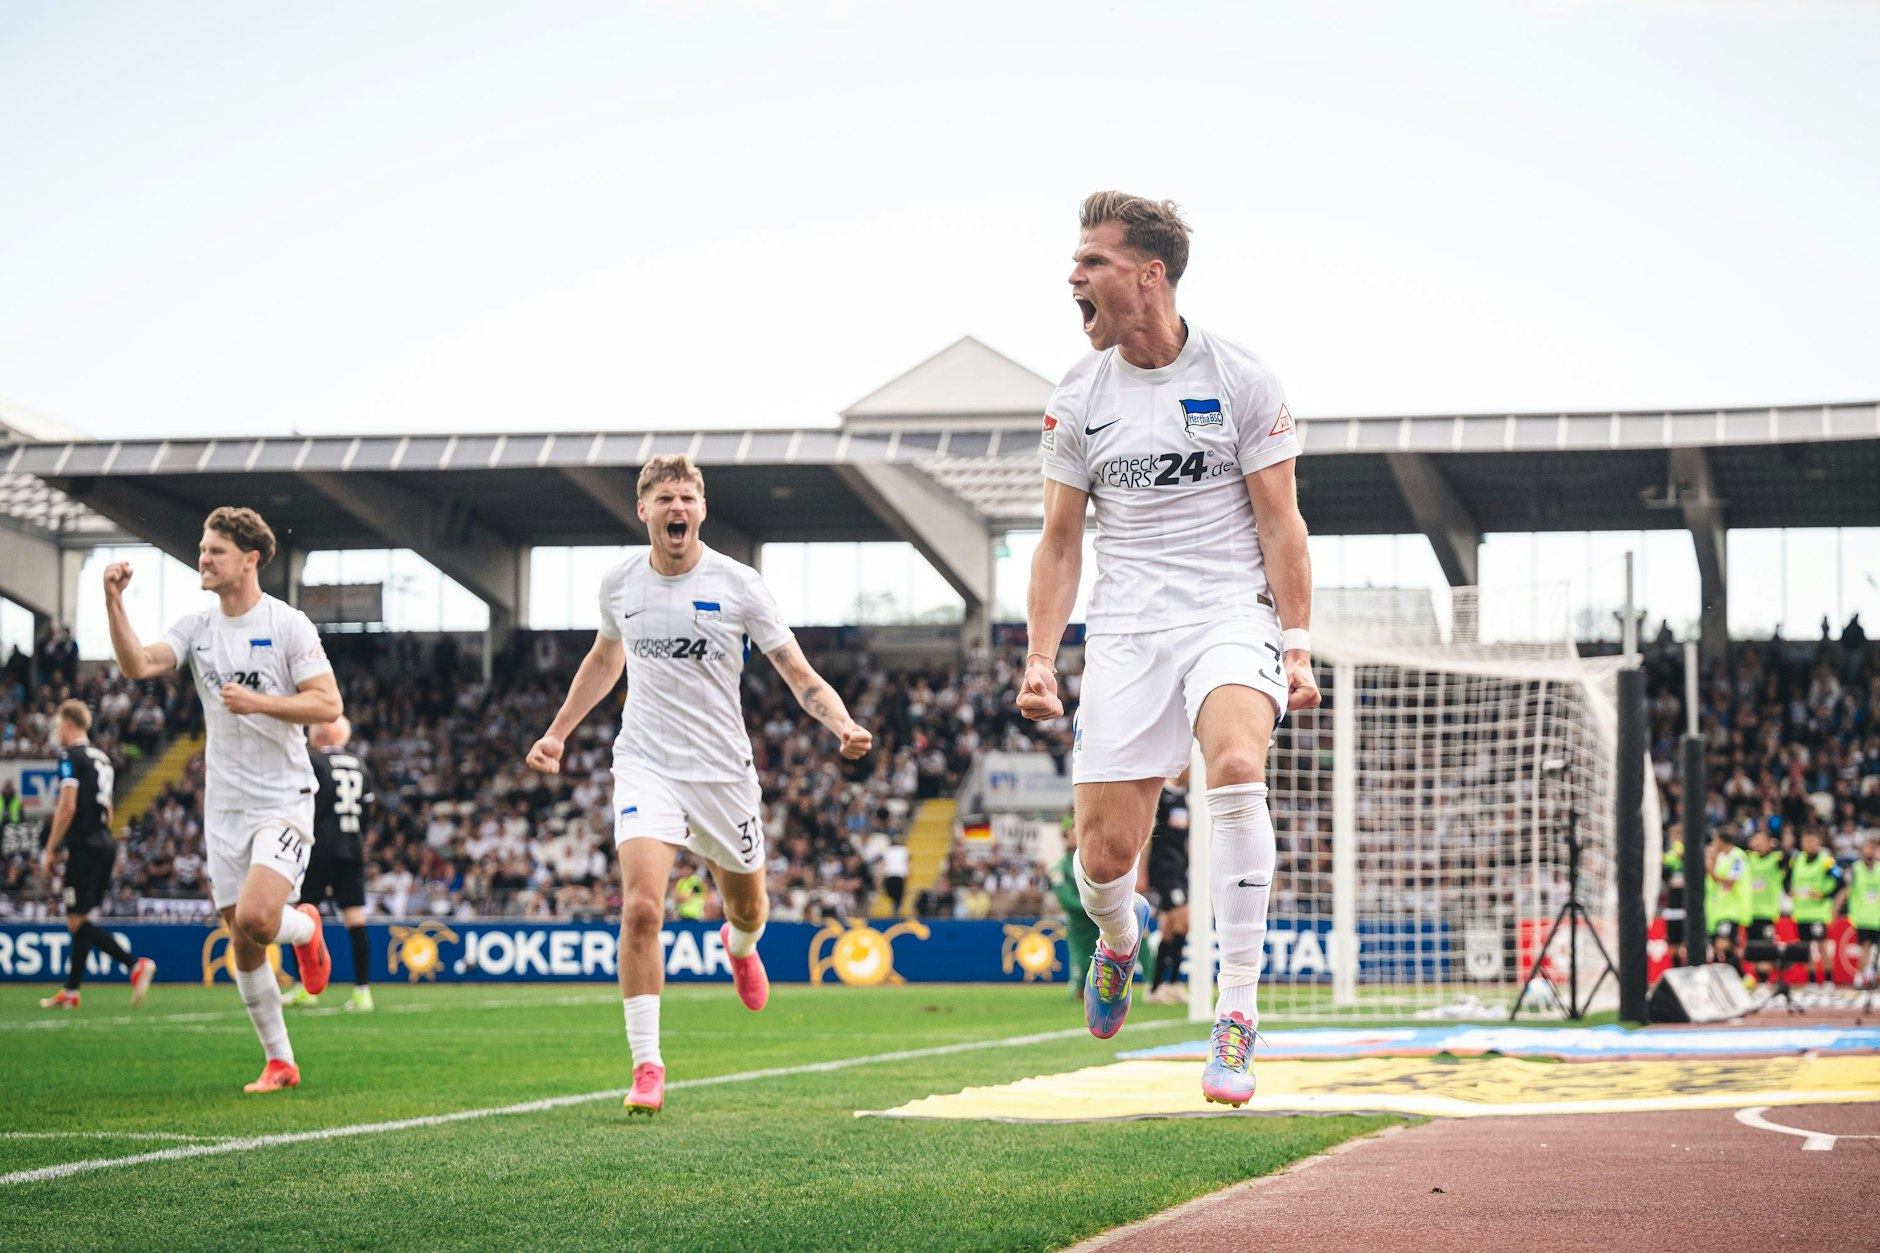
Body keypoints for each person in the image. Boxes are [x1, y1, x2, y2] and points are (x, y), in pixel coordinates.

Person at [1018, 191, 1318, 1107]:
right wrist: (1039, 656)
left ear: (1149, 275)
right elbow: (1062, 542)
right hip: (1124, 632)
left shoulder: (1241, 378)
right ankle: (1119, 937)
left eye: (1091, 262)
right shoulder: (1078, 396)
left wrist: (1296, 643)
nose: (1074, 277)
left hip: (1229, 610)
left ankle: (1235, 1015)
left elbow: (1281, 521)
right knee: (1105, 857)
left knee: (1234, 762)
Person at [526, 455, 872, 1117]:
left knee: (747, 909)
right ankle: (648, 1064)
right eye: (664, 498)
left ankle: (739, 947)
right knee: (641, 909)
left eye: (686, 496)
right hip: (646, 764)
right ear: (645, 511)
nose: (676, 507)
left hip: (722, 774)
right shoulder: (621, 582)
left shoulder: (739, 584)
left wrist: (842, 722)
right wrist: (558, 731)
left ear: (701, 509)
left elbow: (796, 672)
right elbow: (605, 657)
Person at [104, 506, 341, 1092]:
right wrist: (113, 601)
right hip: (225, 807)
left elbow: (327, 705)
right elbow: (138, 664)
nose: (203, 560)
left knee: (260, 920)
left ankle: (307, 931)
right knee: (243, 939)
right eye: (203, 549)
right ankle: (280, 1061)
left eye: (215, 551)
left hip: (283, 796)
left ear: (250, 559)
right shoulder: (197, 627)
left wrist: (261, 703)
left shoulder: (288, 625)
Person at [37, 699, 155, 1008]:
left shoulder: (71, 757)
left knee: (77, 922)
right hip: (105, 842)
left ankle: (134, 964)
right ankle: (71, 991)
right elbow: (110, 810)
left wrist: (50, 848)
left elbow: (68, 804)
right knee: (82, 920)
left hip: (85, 845)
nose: (55, 732)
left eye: (57, 725)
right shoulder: (102, 758)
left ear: (68, 724)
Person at [285, 716, 378, 1012]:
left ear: (320, 735)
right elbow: (366, 814)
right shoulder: (360, 764)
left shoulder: (312, 761)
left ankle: (305, 988)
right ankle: (363, 992)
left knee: (302, 916)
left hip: (318, 848)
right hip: (351, 849)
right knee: (356, 922)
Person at [1143, 778, 1191, 1005]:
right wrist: (1142, 874)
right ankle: (1171, 983)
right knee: (1184, 921)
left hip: (1180, 870)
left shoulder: (1186, 798)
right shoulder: (1161, 795)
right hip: (1163, 870)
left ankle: (1156, 987)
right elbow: (1147, 838)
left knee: (1169, 929)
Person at [1049, 817, 1099, 998]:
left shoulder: (1097, 863)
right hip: (1080, 927)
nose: (1075, 835)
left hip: (1100, 924)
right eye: (1071, 831)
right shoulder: (1059, 869)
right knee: (1081, 981)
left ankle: (1154, 984)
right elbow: (1068, 902)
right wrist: (1098, 907)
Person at [1786, 828, 1842, 985]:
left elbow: (1840, 880)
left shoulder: (1826, 861)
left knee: (1822, 946)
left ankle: (1828, 980)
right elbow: (1786, 879)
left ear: (1819, 842)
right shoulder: (1796, 859)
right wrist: (1789, 891)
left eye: (1812, 840)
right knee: (1806, 948)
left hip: (1818, 912)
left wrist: (1824, 895)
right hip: (1801, 911)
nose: (1809, 844)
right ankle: (1811, 981)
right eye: (1806, 840)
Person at [1743, 828, 1786, 986]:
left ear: (1770, 842)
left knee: (1766, 949)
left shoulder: (1776, 859)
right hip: (1750, 912)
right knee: (1753, 949)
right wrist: (1749, 843)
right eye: (1756, 840)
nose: (1758, 844)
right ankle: (1757, 980)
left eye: (1762, 841)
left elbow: (1788, 856)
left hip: (1767, 912)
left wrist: (1777, 845)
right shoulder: (1749, 858)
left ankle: (1764, 981)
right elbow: (1737, 848)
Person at [1705, 829, 1750, 976]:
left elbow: (1731, 880)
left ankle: (1740, 977)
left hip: (1732, 910)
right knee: (1723, 947)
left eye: (1715, 840)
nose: (1713, 844)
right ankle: (1739, 978)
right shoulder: (1721, 857)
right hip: (1718, 911)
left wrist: (1712, 872)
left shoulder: (1738, 857)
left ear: (1722, 841)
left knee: (1722, 945)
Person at [1849, 840, 1880, 990]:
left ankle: (1871, 976)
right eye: (1867, 847)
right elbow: (1847, 890)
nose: (1870, 851)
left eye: (1872, 848)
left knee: (1875, 952)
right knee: (1866, 948)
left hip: (1877, 917)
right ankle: (1861, 978)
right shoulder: (1856, 869)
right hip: (1863, 918)